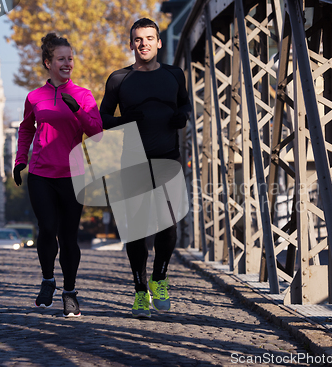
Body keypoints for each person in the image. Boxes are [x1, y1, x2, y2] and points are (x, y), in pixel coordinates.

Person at [100, 18, 191, 318]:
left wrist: (182, 117)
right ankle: (140, 291)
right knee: (136, 231)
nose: (144, 44)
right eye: (138, 39)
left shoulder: (175, 75)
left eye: (150, 38)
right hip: (133, 162)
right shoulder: (118, 79)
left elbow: (184, 105)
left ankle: (159, 278)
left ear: (159, 42)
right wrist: (125, 121)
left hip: (168, 158)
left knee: (169, 226)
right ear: (131, 44)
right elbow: (102, 120)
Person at [13, 33, 103, 317]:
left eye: (70, 59)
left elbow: (97, 134)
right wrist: (20, 159)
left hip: (73, 174)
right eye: (61, 59)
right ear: (48, 63)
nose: (67, 64)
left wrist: (77, 110)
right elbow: (26, 129)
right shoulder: (35, 97)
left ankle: (70, 292)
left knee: (68, 236)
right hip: (40, 173)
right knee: (47, 228)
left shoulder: (83, 95)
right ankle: (48, 280)